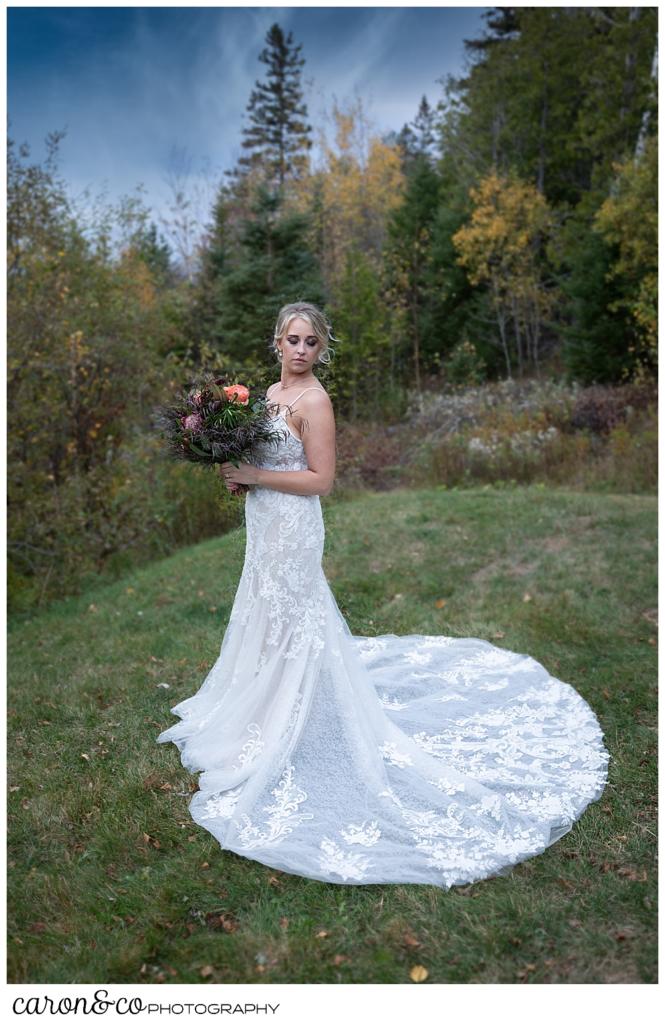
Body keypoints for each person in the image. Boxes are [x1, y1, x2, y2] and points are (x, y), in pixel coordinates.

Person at [157, 301, 610, 888]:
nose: (300, 350)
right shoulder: (267, 390)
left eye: (311, 343)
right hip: (263, 521)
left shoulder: (316, 402)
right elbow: (268, 457)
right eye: (292, 340)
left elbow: (321, 480)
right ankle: (261, 704)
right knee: (265, 612)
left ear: (322, 350)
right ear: (276, 342)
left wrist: (256, 477)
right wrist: (236, 468)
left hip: (294, 525)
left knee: (296, 615)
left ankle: (294, 717)